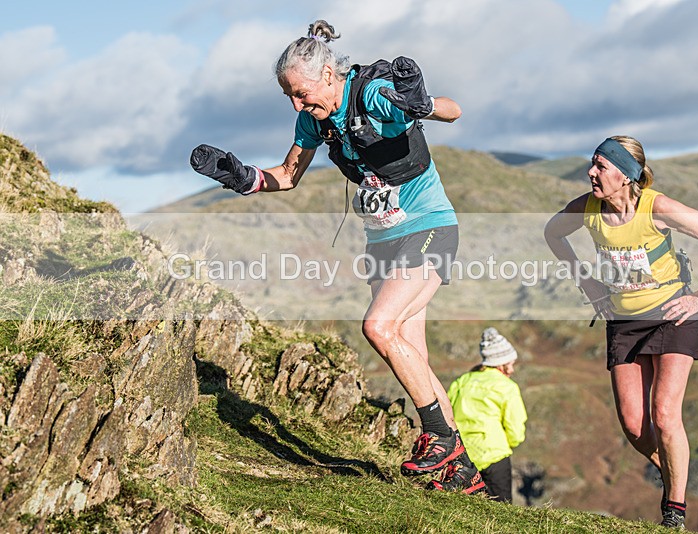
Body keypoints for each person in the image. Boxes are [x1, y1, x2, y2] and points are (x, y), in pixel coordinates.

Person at [190, 20, 484, 494]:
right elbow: (287, 175)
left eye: (302, 93)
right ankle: (461, 472)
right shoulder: (312, 119)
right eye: (289, 96)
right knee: (415, 357)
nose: (297, 105)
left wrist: (421, 102)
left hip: (429, 227)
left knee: (378, 327)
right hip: (382, 240)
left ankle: (437, 438)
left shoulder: (372, 92)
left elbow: (453, 111)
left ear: (329, 75)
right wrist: (240, 175)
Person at [543, 136, 698, 529]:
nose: (591, 173)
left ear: (626, 176)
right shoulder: (587, 208)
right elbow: (552, 233)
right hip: (623, 322)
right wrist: (588, 284)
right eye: (591, 164)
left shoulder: (656, 207)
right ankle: (674, 471)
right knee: (634, 425)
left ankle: (674, 509)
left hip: (671, 315)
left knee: (665, 414)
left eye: (600, 166)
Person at [446, 327, 527, 502]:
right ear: (500, 364)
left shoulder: (461, 382)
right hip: (494, 456)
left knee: (464, 507)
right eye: (510, 363)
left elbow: (448, 415)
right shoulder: (507, 387)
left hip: (462, 456)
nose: (512, 369)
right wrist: (511, 442)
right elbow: (515, 427)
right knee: (501, 511)